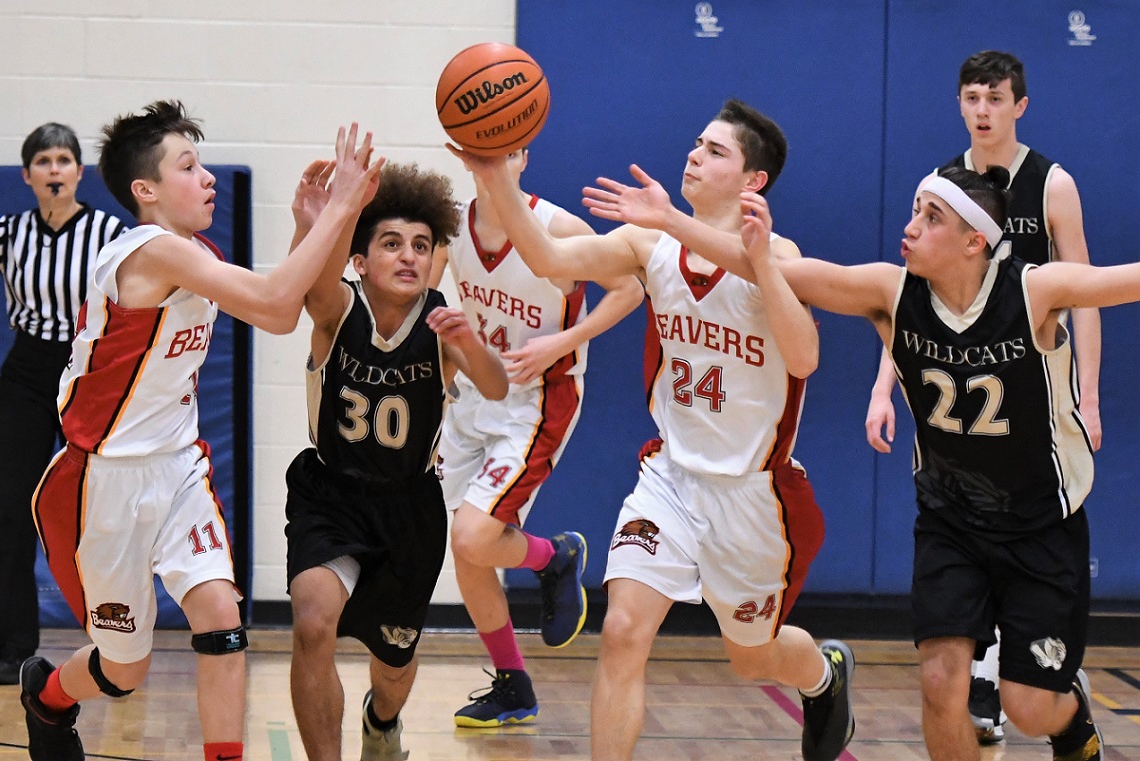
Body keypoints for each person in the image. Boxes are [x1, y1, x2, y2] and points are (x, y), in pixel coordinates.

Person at [654, 165, 1111, 761]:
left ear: (975, 240)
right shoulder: (891, 291)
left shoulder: (1033, 292)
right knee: (940, 683)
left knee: (1027, 706)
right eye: (915, 210)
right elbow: (779, 273)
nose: (911, 227)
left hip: (1042, 525)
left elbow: (1123, 281)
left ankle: (1069, 716)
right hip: (953, 523)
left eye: (931, 218)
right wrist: (672, 221)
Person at [452, 98, 855, 761]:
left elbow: (805, 357)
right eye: (696, 142)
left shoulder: (774, 255)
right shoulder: (649, 245)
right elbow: (550, 259)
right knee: (622, 632)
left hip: (753, 496)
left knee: (751, 659)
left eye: (715, 150)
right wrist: (494, 172)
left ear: (753, 180)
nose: (694, 154)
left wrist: (680, 221)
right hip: (668, 478)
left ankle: (821, 673)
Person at [20, 100, 382, 761]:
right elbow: (277, 306)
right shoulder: (150, 252)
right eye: (189, 165)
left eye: (205, 163)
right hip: (100, 482)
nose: (208, 176)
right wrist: (339, 209)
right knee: (122, 669)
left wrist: (309, 228)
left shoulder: (193, 251)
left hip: (179, 468)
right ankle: (46, 699)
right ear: (145, 190)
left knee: (221, 619)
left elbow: (275, 309)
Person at [862, 50, 1102, 745]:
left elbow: (1086, 296)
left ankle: (1039, 695)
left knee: (1034, 700)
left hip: (1030, 397)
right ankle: (984, 686)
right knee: (941, 675)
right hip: (956, 425)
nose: (982, 109)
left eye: (995, 98)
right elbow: (907, 310)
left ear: (1018, 105)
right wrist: (885, 388)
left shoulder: (1050, 186)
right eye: (972, 97)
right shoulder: (937, 187)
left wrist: (1087, 393)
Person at [284, 161, 508, 761]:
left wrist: (470, 344)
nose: (409, 255)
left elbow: (496, 386)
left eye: (421, 244)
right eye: (390, 243)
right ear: (360, 260)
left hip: (408, 507)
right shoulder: (338, 309)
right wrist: (313, 224)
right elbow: (305, 287)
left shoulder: (439, 325)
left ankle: (382, 722)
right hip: (329, 496)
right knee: (311, 624)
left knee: (394, 667)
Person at [428, 147, 643, 727]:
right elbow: (425, 305)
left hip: (538, 399)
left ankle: (555, 557)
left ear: (523, 156)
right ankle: (514, 685)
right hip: (473, 395)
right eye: (482, 150)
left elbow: (628, 290)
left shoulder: (559, 228)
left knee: (473, 535)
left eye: (504, 149)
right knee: (465, 545)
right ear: (465, 155)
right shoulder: (453, 226)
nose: (494, 160)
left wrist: (561, 342)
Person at [0, 123, 128, 685]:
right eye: (43, 162)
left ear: (80, 172)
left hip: (86, 374)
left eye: (64, 160)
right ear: (26, 176)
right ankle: (15, 647)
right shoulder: (8, 234)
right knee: (10, 510)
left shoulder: (108, 231)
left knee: (101, 512)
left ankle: (117, 646)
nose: (54, 170)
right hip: (26, 373)